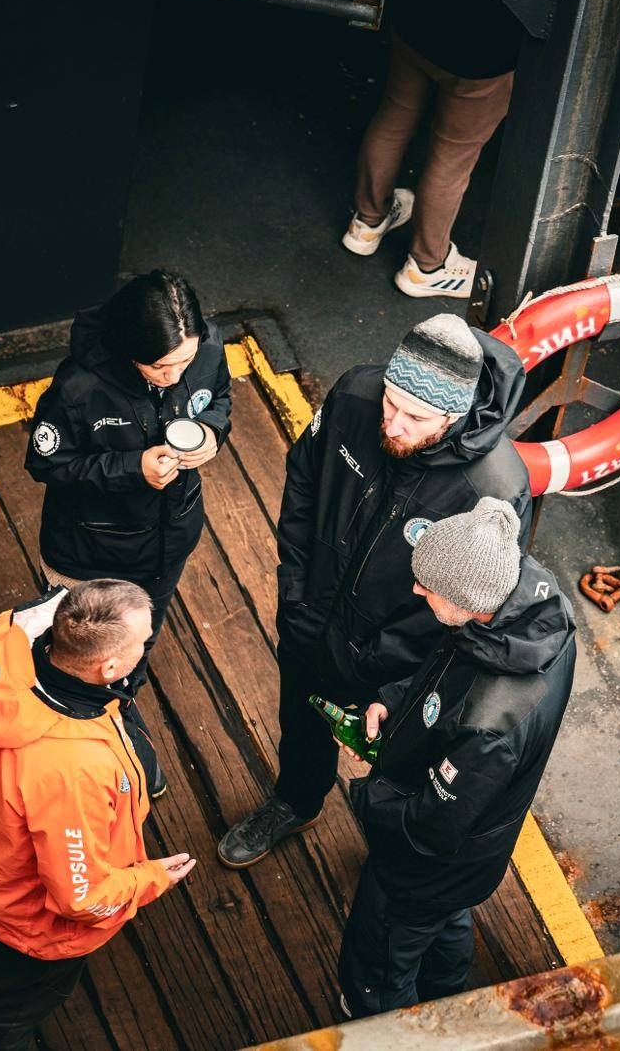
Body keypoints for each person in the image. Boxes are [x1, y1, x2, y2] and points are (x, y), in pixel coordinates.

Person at [217, 313, 532, 868]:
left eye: (416, 416)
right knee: (301, 719)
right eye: (391, 402)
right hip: (311, 616)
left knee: (405, 762)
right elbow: (303, 480)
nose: (394, 425)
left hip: (400, 662)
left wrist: (402, 683)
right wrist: (295, 588)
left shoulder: (496, 489)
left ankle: (392, 854)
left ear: (455, 414)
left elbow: (478, 606)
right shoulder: (354, 395)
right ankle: (296, 801)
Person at [0, 581, 195, 1051]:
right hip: (34, 924)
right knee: (3, 1022)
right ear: (109, 668)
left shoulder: (3, 643)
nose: (147, 645)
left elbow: (39, 610)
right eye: (143, 641)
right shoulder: (73, 770)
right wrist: (149, 880)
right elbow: (80, 898)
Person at [339, 497, 576, 1014]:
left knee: (381, 962)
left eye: (429, 586)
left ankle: (381, 1023)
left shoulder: (491, 725)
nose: (416, 590)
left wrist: (369, 797)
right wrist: (396, 699)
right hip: (472, 863)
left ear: (470, 600)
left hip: (428, 870)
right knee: (444, 921)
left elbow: (432, 829)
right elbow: (451, 670)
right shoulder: (521, 617)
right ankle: (445, 987)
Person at [25, 269, 232, 798]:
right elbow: (46, 462)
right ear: (127, 348)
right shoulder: (79, 387)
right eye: (161, 366)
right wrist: (129, 468)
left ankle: (121, 701)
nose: (175, 376)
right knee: (78, 651)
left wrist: (212, 433)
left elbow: (218, 399)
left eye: (184, 363)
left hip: (168, 542)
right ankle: (79, 728)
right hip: (88, 554)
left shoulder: (206, 348)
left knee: (137, 639)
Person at [340, 0, 526, 298]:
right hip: (486, 47)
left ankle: (367, 223)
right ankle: (427, 266)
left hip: (418, 15)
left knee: (394, 115)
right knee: (452, 157)